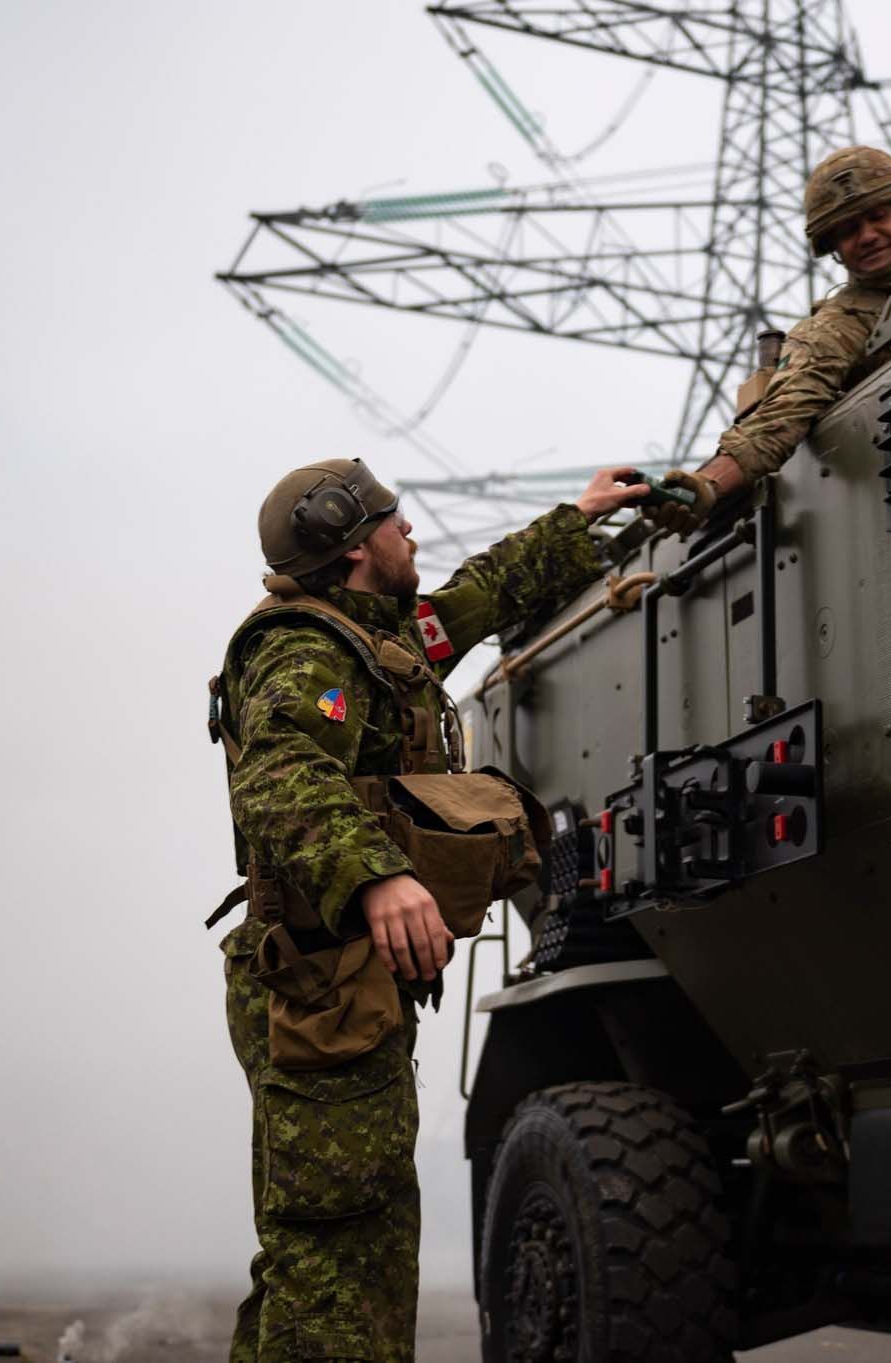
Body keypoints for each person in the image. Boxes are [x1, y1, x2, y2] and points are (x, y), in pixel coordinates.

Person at [209, 457, 648, 1363]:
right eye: (394, 520)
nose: (410, 530)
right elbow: (279, 775)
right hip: (317, 986)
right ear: (355, 545)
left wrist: (581, 515)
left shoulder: (381, 642)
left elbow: (478, 598)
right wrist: (376, 875)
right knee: (336, 1256)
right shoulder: (305, 649)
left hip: (346, 989)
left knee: (341, 1250)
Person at [651, 145, 891, 533]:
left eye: (877, 217)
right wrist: (707, 485)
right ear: (832, 247)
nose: (867, 236)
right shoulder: (832, 330)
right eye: (848, 230)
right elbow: (781, 416)